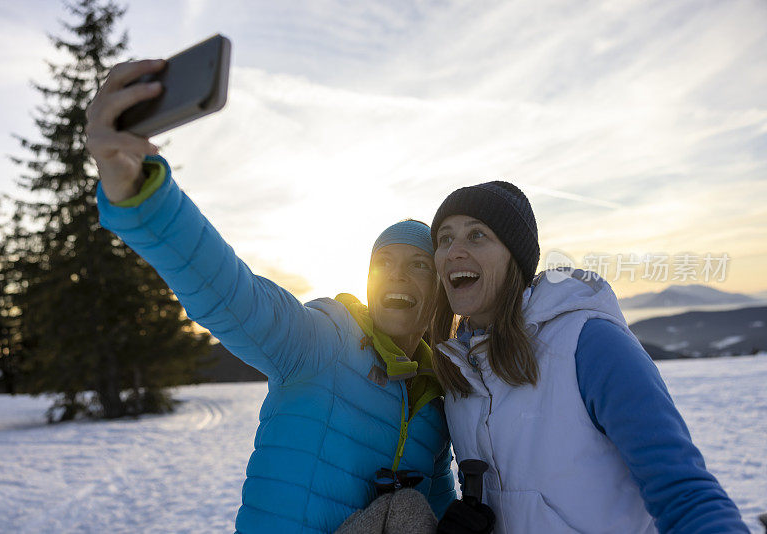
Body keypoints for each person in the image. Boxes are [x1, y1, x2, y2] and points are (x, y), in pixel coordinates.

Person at [85, 59, 455, 533]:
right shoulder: (322, 342)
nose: (397, 276)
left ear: (438, 289)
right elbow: (231, 294)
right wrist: (143, 196)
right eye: (383, 263)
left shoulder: (435, 399)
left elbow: (439, 509)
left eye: (419, 266)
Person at [428, 181, 749, 533]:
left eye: (477, 236)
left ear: (514, 257)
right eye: (445, 238)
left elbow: (685, 496)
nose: (454, 251)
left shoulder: (589, 344)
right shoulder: (460, 374)